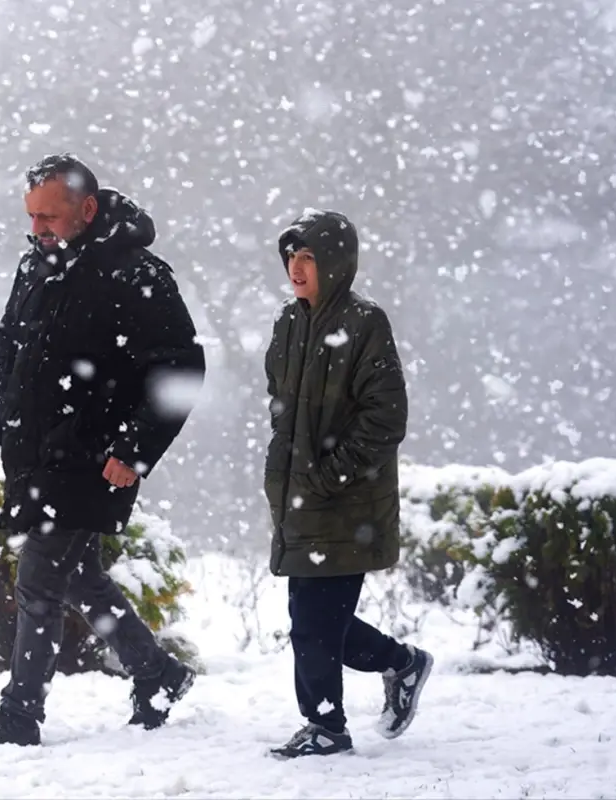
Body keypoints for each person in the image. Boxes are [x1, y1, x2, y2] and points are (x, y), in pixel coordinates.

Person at [0, 153, 206, 746]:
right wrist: (7, 422)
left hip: (95, 457)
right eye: (32, 217)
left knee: (39, 580)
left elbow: (180, 369)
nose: (38, 228)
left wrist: (134, 449)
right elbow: (8, 353)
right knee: (79, 579)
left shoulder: (135, 273)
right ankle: (157, 672)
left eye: (50, 216)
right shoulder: (35, 267)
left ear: (88, 208)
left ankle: (20, 713)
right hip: (35, 455)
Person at [262, 208, 433, 759]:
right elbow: (280, 402)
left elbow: (387, 416)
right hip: (299, 497)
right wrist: (288, 467)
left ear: (334, 262)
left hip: (347, 502)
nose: (296, 266)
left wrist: (332, 471)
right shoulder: (289, 322)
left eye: (308, 256)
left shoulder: (364, 323)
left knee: (314, 622)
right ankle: (403, 663)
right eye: (291, 255)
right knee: (313, 620)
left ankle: (326, 727)